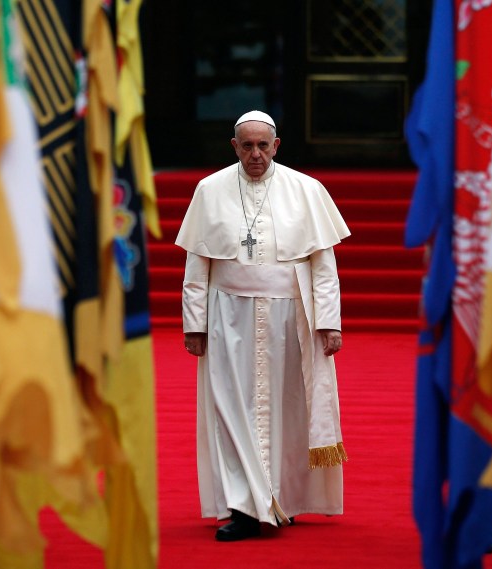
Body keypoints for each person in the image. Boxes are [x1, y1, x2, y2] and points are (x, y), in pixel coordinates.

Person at [175, 110, 351, 542]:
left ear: (277, 146)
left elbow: (323, 266)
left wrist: (329, 322)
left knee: (286, 410)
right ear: (234, 147)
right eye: (247, 146)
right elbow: (196, 266)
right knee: (231, 409)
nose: (256, 154)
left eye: (263, 145)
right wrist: (193, 324)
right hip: (227, 317)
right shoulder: (209, 189)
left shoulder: (306, 190)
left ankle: (278, 501)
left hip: (289, 318)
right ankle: (244, 506)